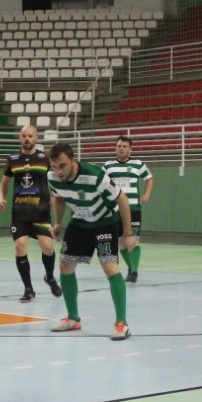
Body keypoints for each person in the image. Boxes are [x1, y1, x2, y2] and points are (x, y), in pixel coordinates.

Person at [46, 142, 135, 340]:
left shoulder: (95, 176)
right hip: (80, 222)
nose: (58, 171)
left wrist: (128, 234)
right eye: (54, 167)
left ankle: (122, 323)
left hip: (105, 222)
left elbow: (122, 200)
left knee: (110, 267)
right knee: (65, 266)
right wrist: (58, 223)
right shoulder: (52, 177)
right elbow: (58, 198)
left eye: (62, 166)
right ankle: (73, 318)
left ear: (73, 161)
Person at [0, 124, 62, 302]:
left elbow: (57, 177)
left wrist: (55, 194)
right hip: (20, 213)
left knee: (48, 248)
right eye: (24, 135)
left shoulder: (45, 158)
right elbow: (4, 182)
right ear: (20, 138)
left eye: (30, 136)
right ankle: (28, 289)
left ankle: (50, 277)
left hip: (41, 212)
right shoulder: (13, 159)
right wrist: (1, 197)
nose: (27, 139)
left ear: (36, 138)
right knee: (20, 247)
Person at [101, 135, 154, 283]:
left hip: (133, 208)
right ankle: (131, 268)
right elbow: (100, 183)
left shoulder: (138, 164)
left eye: (124, 146)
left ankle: (134, 272)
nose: (121, 149)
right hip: (115, 210)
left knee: (133, 241)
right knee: (122, 243)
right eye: (119, 146)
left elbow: (149, 178)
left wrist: (147, 194)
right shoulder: (108, 166)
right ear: (115, 148)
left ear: (130, 149)